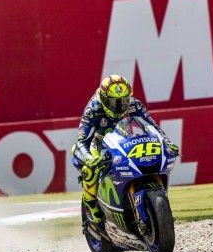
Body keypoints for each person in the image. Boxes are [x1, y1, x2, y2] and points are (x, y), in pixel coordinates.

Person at [71, 74, 179, 223]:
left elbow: (153, 127)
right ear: (103, 98)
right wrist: (90, 158)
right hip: (98, 142)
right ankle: (91, 206)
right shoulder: (93, 110)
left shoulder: (135, 104)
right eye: (114, 103)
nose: (120, 106)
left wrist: (166, 142)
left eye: (124, 101)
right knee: (90, 169)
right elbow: (81, 141)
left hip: (124, 140)